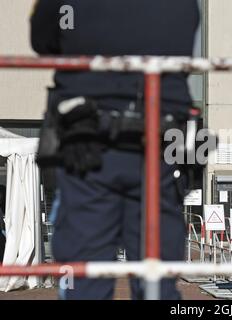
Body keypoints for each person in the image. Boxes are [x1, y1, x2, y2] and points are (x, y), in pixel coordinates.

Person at [31, 0, 199, 299]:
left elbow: (43, 38)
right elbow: (182, 37)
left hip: (88, 141)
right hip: (161, 141)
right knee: (156, 281)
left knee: (85, 276)